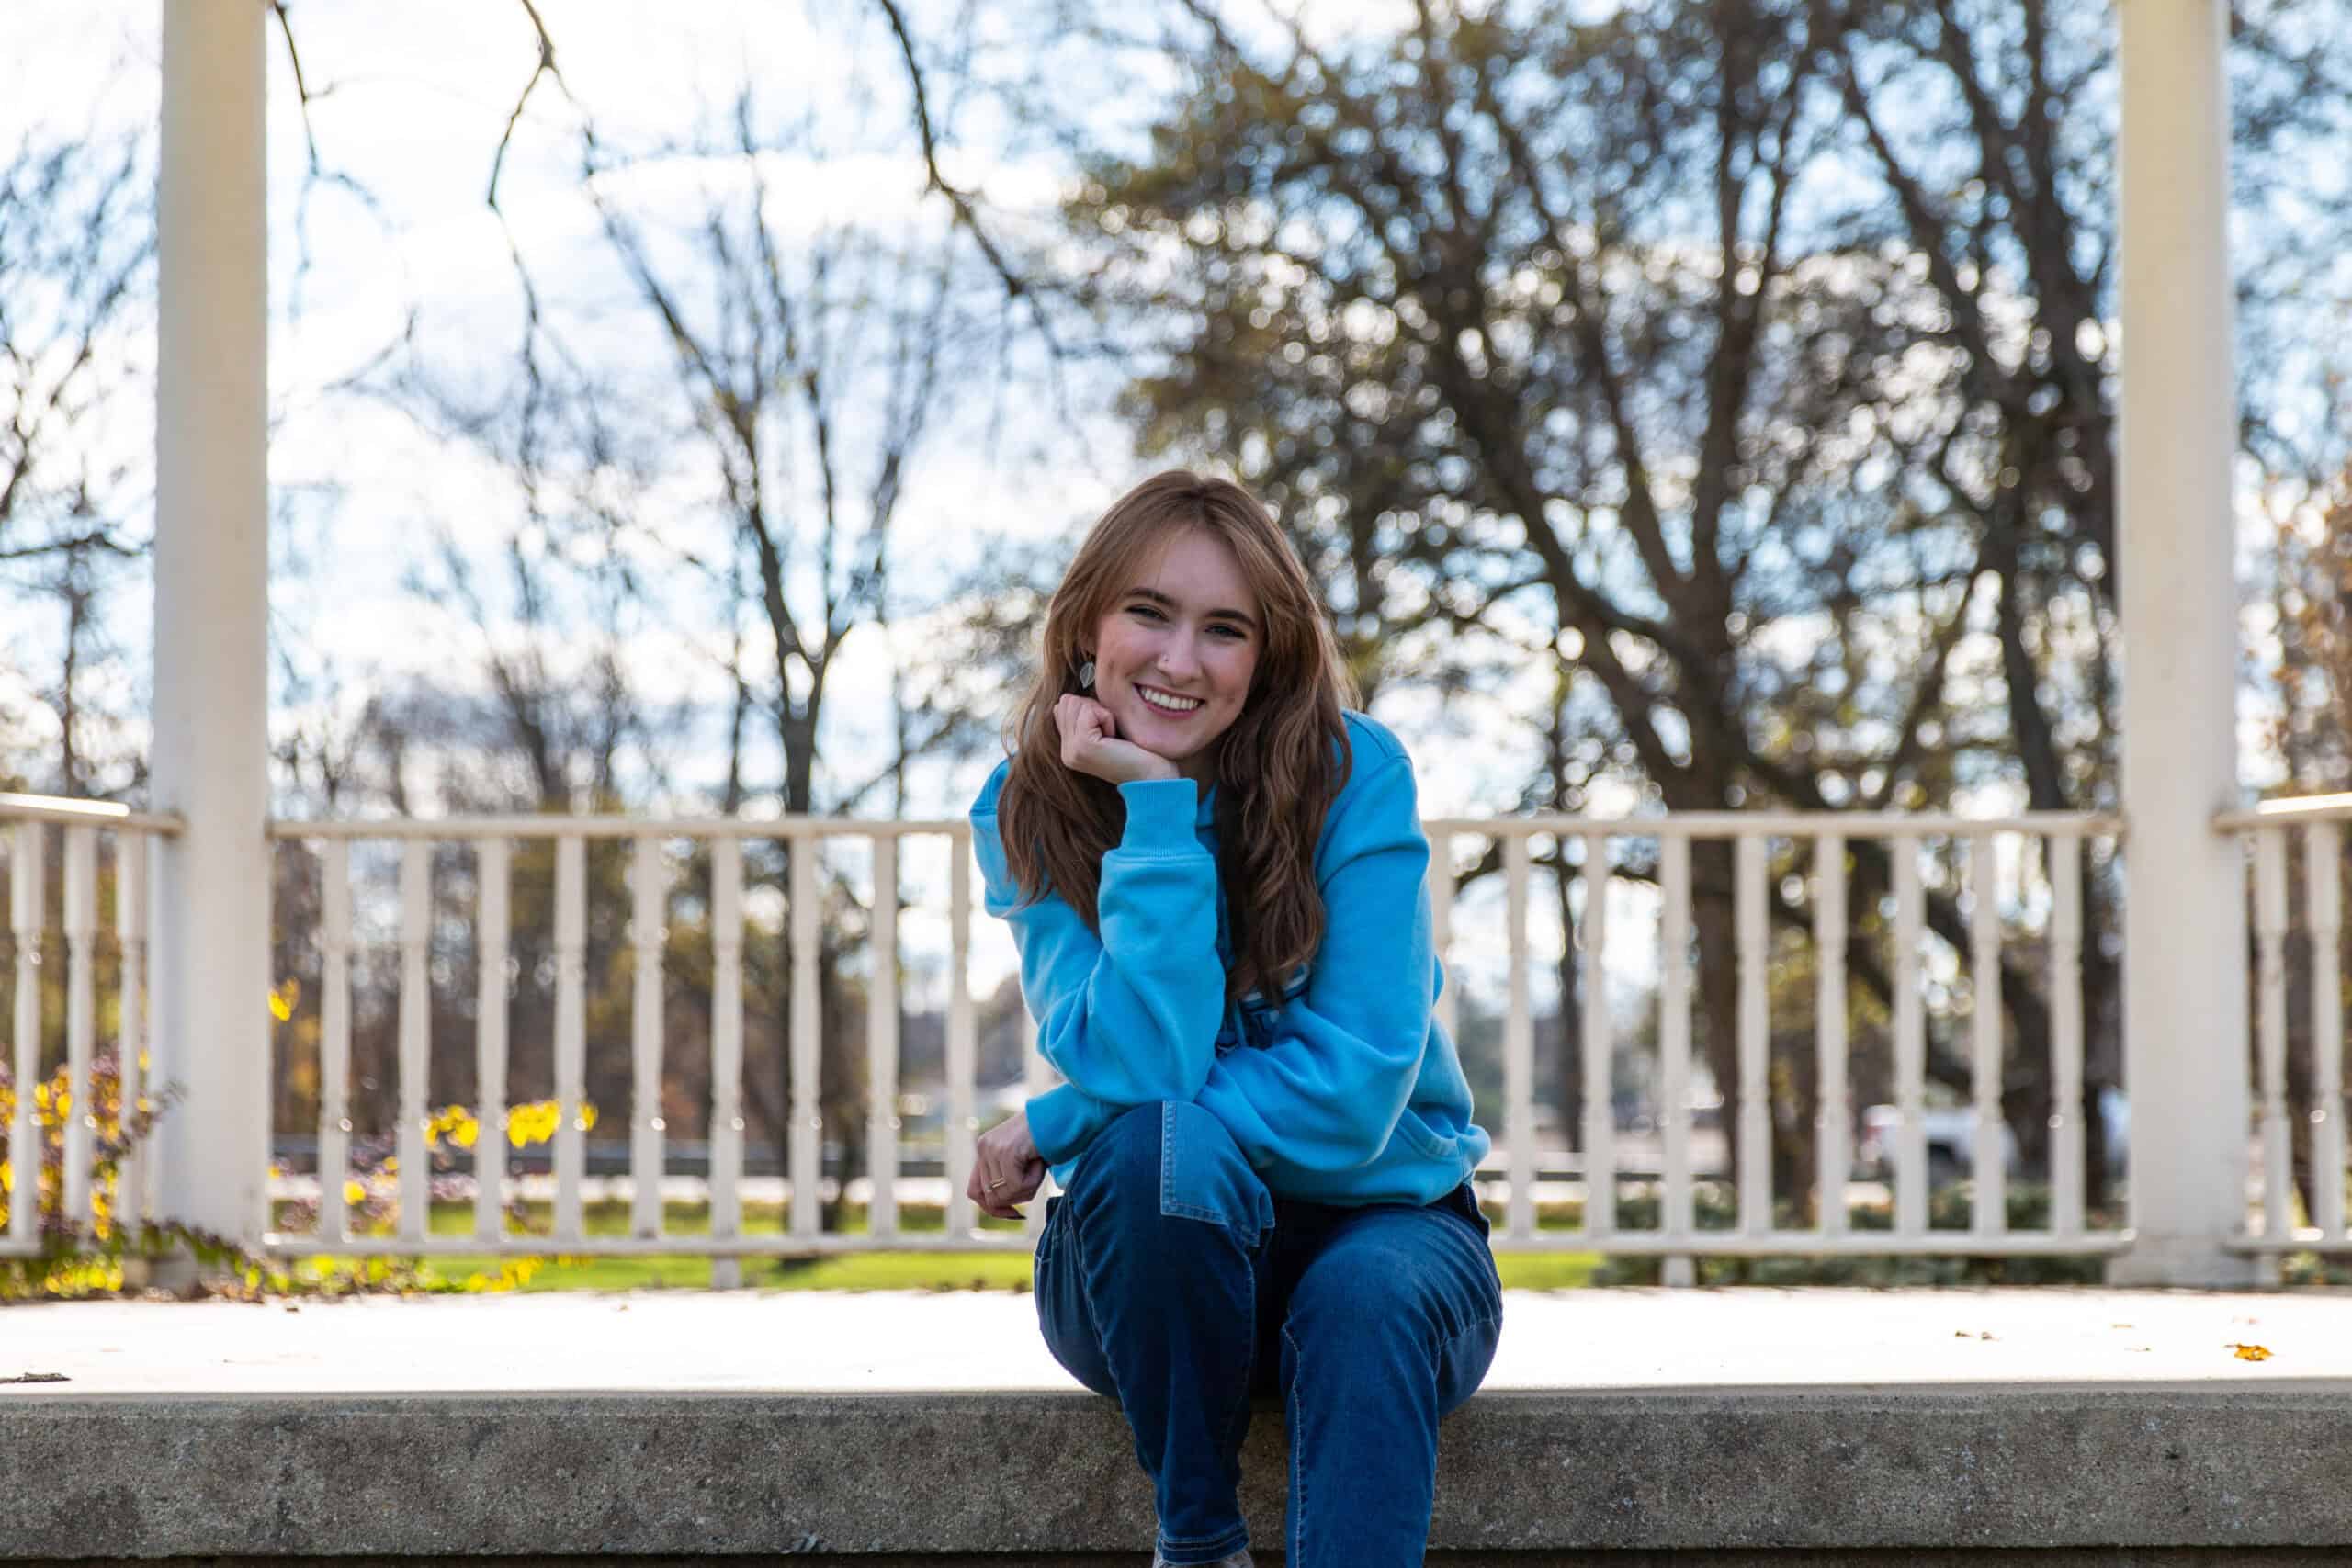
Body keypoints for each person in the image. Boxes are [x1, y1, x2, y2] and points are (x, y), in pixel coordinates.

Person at [965, 469, 1503, 1568]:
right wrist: (1155, 807)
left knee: (1363, 1300)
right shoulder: (1026, 809)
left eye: (1224, 629)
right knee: (1168, 1145)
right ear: (1086, 627)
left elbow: (1353, 1096)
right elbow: (1149, 1070)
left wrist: (1063, 1118)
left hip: (1387, 1227)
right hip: (1151, 1268)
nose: (1178, 660)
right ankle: (1198, 1541)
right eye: (1148, 613)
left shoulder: (1354, 776)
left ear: (1267, 658)